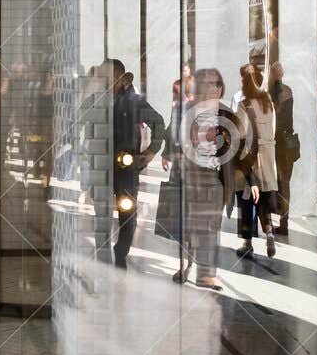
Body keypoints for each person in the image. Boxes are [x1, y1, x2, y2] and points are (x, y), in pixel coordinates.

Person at [97, 58, 165, 268]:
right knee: (101, 213)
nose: (104, 81)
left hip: (125, 168)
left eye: (108, 76)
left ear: (119, 77)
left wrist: (150, 154)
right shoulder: (96, 100)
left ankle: (121, 253)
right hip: (101, 166)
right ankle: (103, 253)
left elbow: (159, 123)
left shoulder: (134, 101)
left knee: (127, 213)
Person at [175, 67, 236, 289]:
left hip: (216, 177)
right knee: (190, 226)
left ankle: (205, 274)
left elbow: (242, 147)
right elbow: (179, 137)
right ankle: (187, 263)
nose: (213, 89)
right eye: (208, 84)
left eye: (216, 84)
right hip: (192, 176)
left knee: (210, 227)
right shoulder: (189, 111)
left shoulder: (227, 114)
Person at [234, 64, 279, 259]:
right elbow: (274, 127)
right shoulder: (268, 101)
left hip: (250, 156)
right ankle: (269, 232)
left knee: (247, 200)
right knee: (265, 199)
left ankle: (248, 243)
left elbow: (240, 135)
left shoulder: (244, 104)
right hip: (268, 154)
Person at [270, 62, 299, 236]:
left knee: (277, 184)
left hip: (277, 144)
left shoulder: (273, 92)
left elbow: (276, 118)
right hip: (287, 144)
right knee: (285, 185)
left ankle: (278, 221)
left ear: (274, 74)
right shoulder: (289, 91)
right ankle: (284, 222)